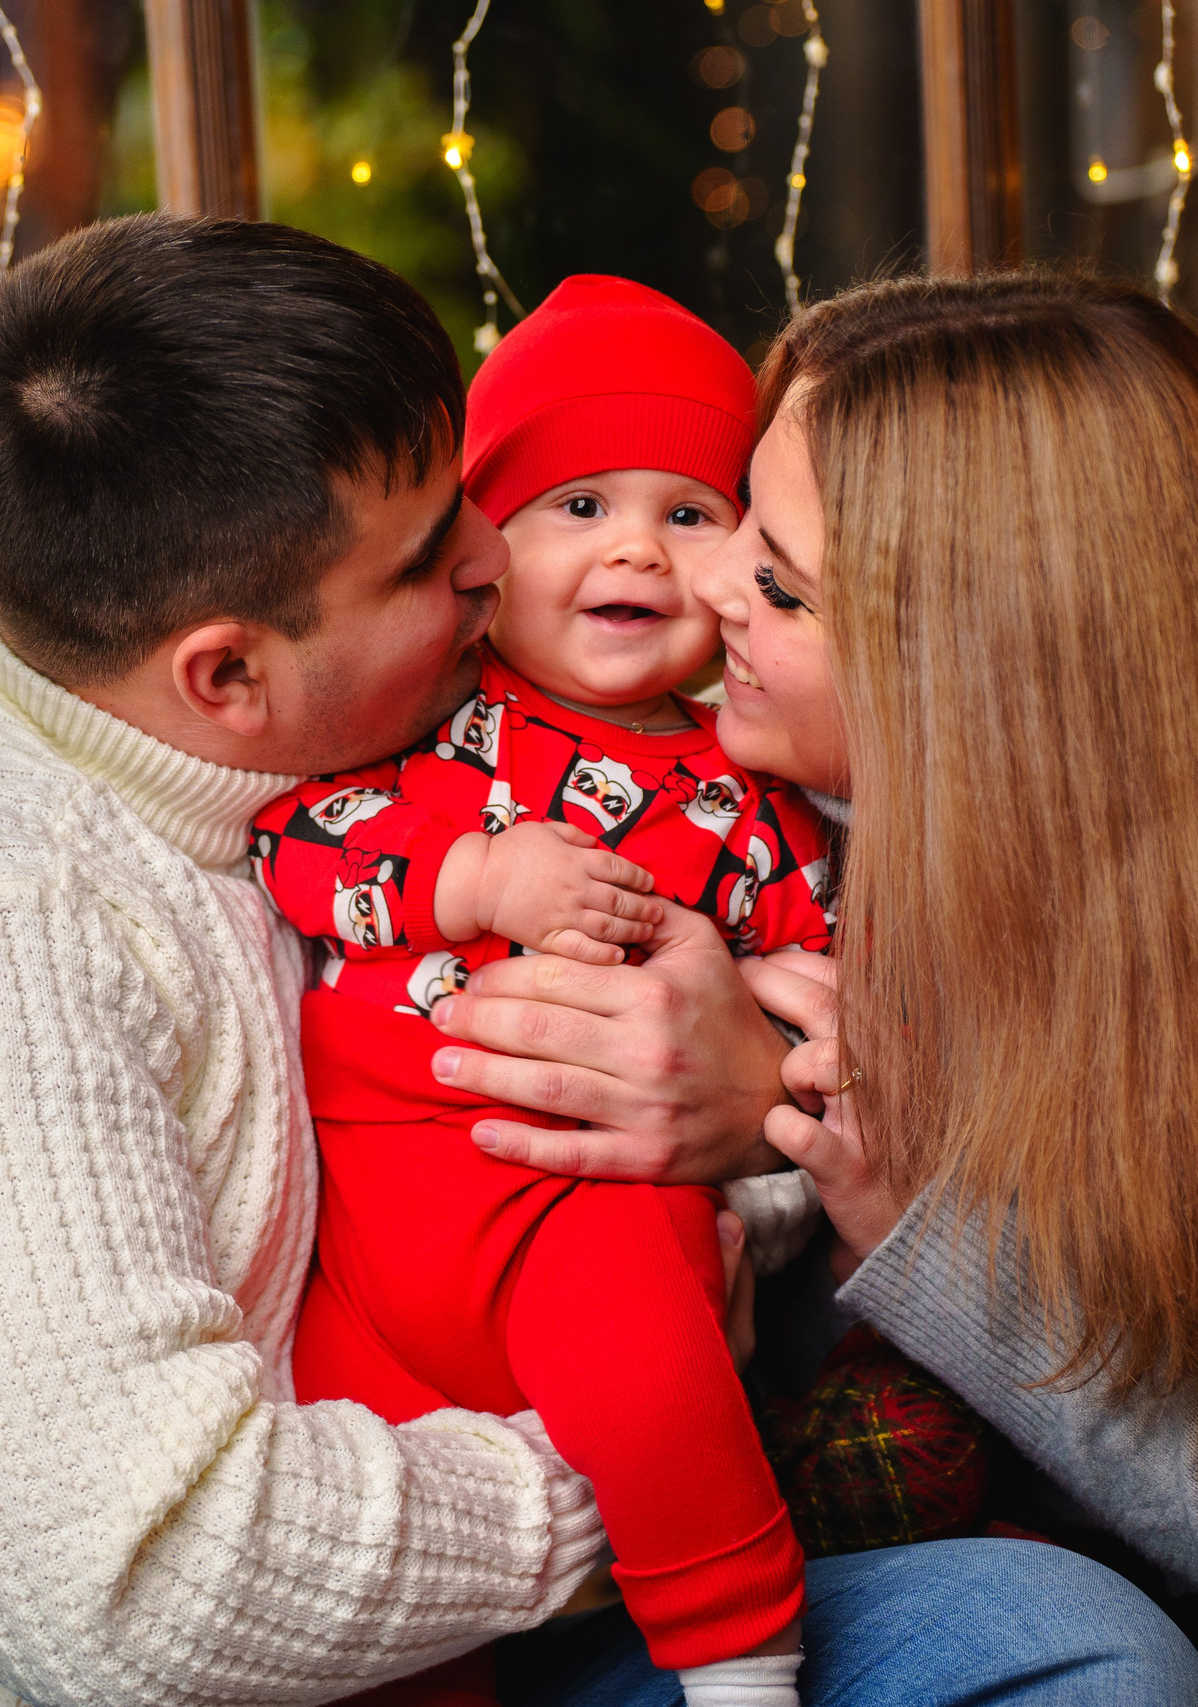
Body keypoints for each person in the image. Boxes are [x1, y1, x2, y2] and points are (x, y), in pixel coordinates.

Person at [0, 219, 1198, 1707]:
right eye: (438, 558)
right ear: (226, 678)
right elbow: (139, 1595)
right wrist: (664, 1446)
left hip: (456, 1563)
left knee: (1068, 1644)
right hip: (82, 1669)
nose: (500, 571)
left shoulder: (179, 641)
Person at [429, 269, 1198, 1707]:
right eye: (738, 511)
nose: (698, 581)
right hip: (1118, 1529)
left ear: (970, 684)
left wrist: (876, 1178)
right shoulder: (759, 808)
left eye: (779, 581)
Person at [253, 276, 838, 1707]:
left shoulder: (749, 787)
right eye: (577, 506)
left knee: (657, 1382)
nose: (633, 543)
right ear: (480, 548)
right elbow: (298, 841)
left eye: (686, 514)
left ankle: (739, 1660)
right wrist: (471, 881)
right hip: (379, 1203)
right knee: (366, 1594)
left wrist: (764, 1135)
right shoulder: (428, 714)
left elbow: (815, 987)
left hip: (582, 1187)